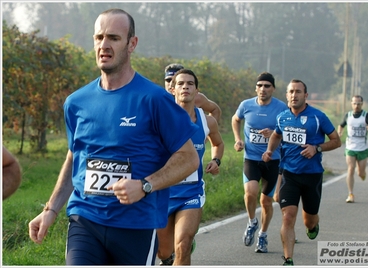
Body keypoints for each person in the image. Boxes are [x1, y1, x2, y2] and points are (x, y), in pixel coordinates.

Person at [28, 8, 200, 266]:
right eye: (99, 38)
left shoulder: (155, 100)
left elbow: (188, 159)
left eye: (113, 38)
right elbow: (75, 157)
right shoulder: (76, 103)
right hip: (85, 220)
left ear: (132, 44)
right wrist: (51, 209)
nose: (104, 45)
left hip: (136, 225)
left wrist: (145, 185)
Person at [262, 79, 341, 266]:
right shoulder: (282, 117)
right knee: (288, 216)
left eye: (298, 92)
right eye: (291, 91)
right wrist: (270, 151)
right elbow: (276, 134)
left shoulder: (318, 117)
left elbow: (336, 140)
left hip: (312, 175)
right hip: (289, 174)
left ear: (305, 95)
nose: (294, 95)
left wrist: (317, 148)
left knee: (309, 221)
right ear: (287, 95)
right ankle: (288, 259)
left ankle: (313, 224)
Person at [157, 69, 224, 265]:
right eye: (180, 84)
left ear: (197, 90)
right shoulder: (161, 120)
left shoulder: (207, 122)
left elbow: (218, 144)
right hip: (163, 192)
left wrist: (216, 160)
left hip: (191, 192)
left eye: (190, 83)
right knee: (164, 252)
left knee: (183, 245)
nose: (185, 86)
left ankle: (183, 246)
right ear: (173, 89)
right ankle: (169, 258)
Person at [231, 72, 287, 253]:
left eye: (267, 86)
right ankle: (252, 221)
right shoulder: (246, 105)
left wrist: (274, 134)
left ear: (273, 89)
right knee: (250, 194)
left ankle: (263, 235)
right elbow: (235, 119)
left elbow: (289, 131)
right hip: (252, 158)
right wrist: (238, 139)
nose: (263, 89)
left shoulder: (281, 108)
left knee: (266, 202)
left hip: (272, 160)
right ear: (256, 88)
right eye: (260, 85)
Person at [338, 95, 368, 203]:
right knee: (351, 169)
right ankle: (350, 194)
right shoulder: (348, 115)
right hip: (350, 147)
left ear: (362, 104)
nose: (356, 105)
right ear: (351, 103)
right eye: (354, 103)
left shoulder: (367, 116)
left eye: (359, 103)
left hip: (363, 148)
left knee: (360, 173)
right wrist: (340, 132)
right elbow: (341, 125)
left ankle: (362, 173)